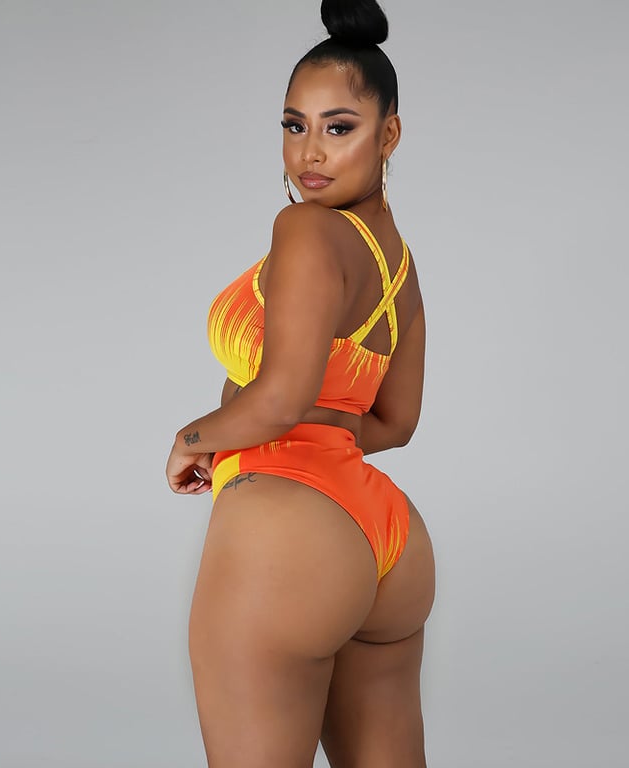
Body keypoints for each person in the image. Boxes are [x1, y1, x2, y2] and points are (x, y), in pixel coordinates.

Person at [166, 1, 435, 764]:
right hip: (387, 538)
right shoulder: (400, 266)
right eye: (294, 125)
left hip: (287, 531)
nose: (309, 152)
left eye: (338, 127)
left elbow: (281, 397)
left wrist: (194, 438)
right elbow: (396, 422)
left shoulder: (307, 228)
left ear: (388, 134)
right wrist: (326, 434)